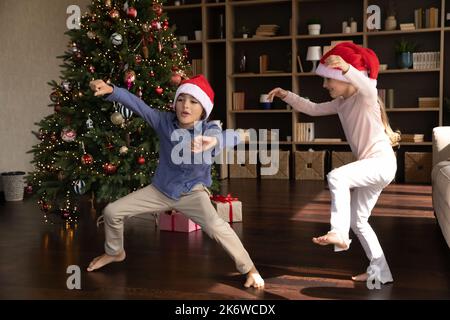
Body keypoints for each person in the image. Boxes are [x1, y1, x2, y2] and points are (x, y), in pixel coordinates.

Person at [87, 74, 264, 289]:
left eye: (193, 101)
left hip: (192, 193)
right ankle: (115, 252)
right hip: (161, 190)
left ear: (204, 109)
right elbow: (139, 106)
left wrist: (215, 141)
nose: (185, 106)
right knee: (112, 212)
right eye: (181, 99)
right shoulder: (164, 122)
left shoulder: (210, 130)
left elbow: (232, 136)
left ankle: (251, 269)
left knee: (219, 229)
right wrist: (112, 90)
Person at [268, 43, 400, 284]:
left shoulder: (365, 98)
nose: (325, 84)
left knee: (337, 176)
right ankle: (380, 270)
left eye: (330, 79)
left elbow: (366, 86)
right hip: (375, 167)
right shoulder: (342, 103)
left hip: (381, 163)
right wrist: (286, 95)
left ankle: (338, 233)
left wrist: (349, 68)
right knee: (358, 221)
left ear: (347, 78)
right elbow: (313, 108)